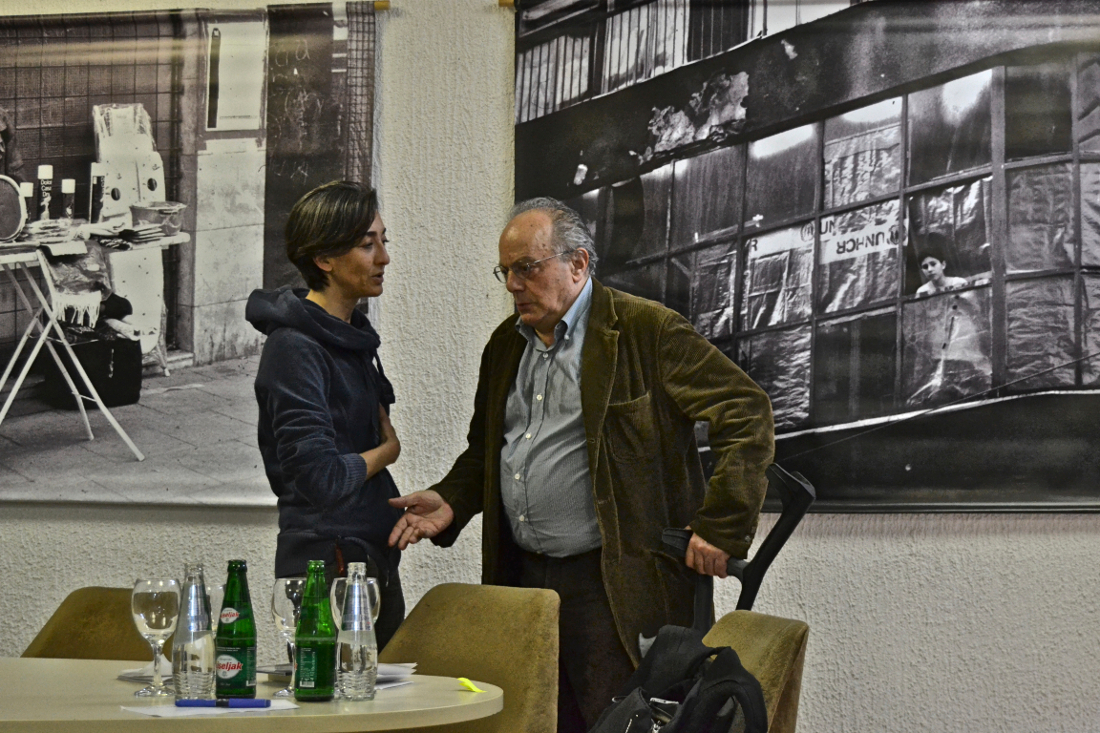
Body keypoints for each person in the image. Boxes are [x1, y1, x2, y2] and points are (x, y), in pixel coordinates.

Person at [387, 197, 775, 732]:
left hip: (613, 584)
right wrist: (450, 499)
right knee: (536, 719)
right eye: (506, 270)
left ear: (578, 263)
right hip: (524, 579)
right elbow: (486, 451)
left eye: (527, 268)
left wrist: (722, 525)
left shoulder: (646, 332)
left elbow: (745, 410)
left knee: (615, 721)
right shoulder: (505, 346)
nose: (512, 285)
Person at [245, 180, 405, 648]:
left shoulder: (348, 335)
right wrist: (387, 453)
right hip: (326, 566)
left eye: (382, 241)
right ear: (324, 260)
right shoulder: (295, 348)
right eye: (365, 244)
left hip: (363, 562)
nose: (383, 258)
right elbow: (323, 478)